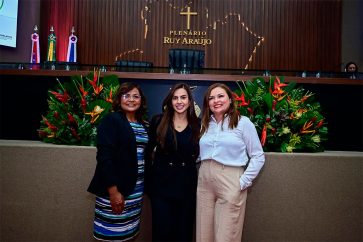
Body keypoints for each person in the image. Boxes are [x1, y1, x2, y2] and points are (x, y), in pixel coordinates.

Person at [196, 83, 265, 242]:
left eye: (220, 96)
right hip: (204, 180)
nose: (216, 101)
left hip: (230, 179)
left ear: (230, 99)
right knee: (203, 234)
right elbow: (200, 154)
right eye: (211, 98)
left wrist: (242, 182)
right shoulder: (206, 124)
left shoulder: (243, 122)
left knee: (226, 235)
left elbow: (258, 156)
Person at [87, 82, 148, 241]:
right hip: (116, 190)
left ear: (141, 100)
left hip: (135, 191)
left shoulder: (143, 124)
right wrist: (113, 192)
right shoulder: (111, 120)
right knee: (111, 235)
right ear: (119, 99)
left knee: (129, 234)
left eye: (136, 96)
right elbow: (104, 157)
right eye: (126, 95)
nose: (131, 100)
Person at [145, 83, 200, 242]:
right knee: (161, 233)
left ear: (190, 101)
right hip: (161, 188)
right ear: (170, 101)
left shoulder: (197, 124)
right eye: (175, 98)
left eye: (183, 97)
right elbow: (148, 154)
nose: (179, 101)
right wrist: (149, 185)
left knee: (183, 233)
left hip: (187, 188)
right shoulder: (158, 121)